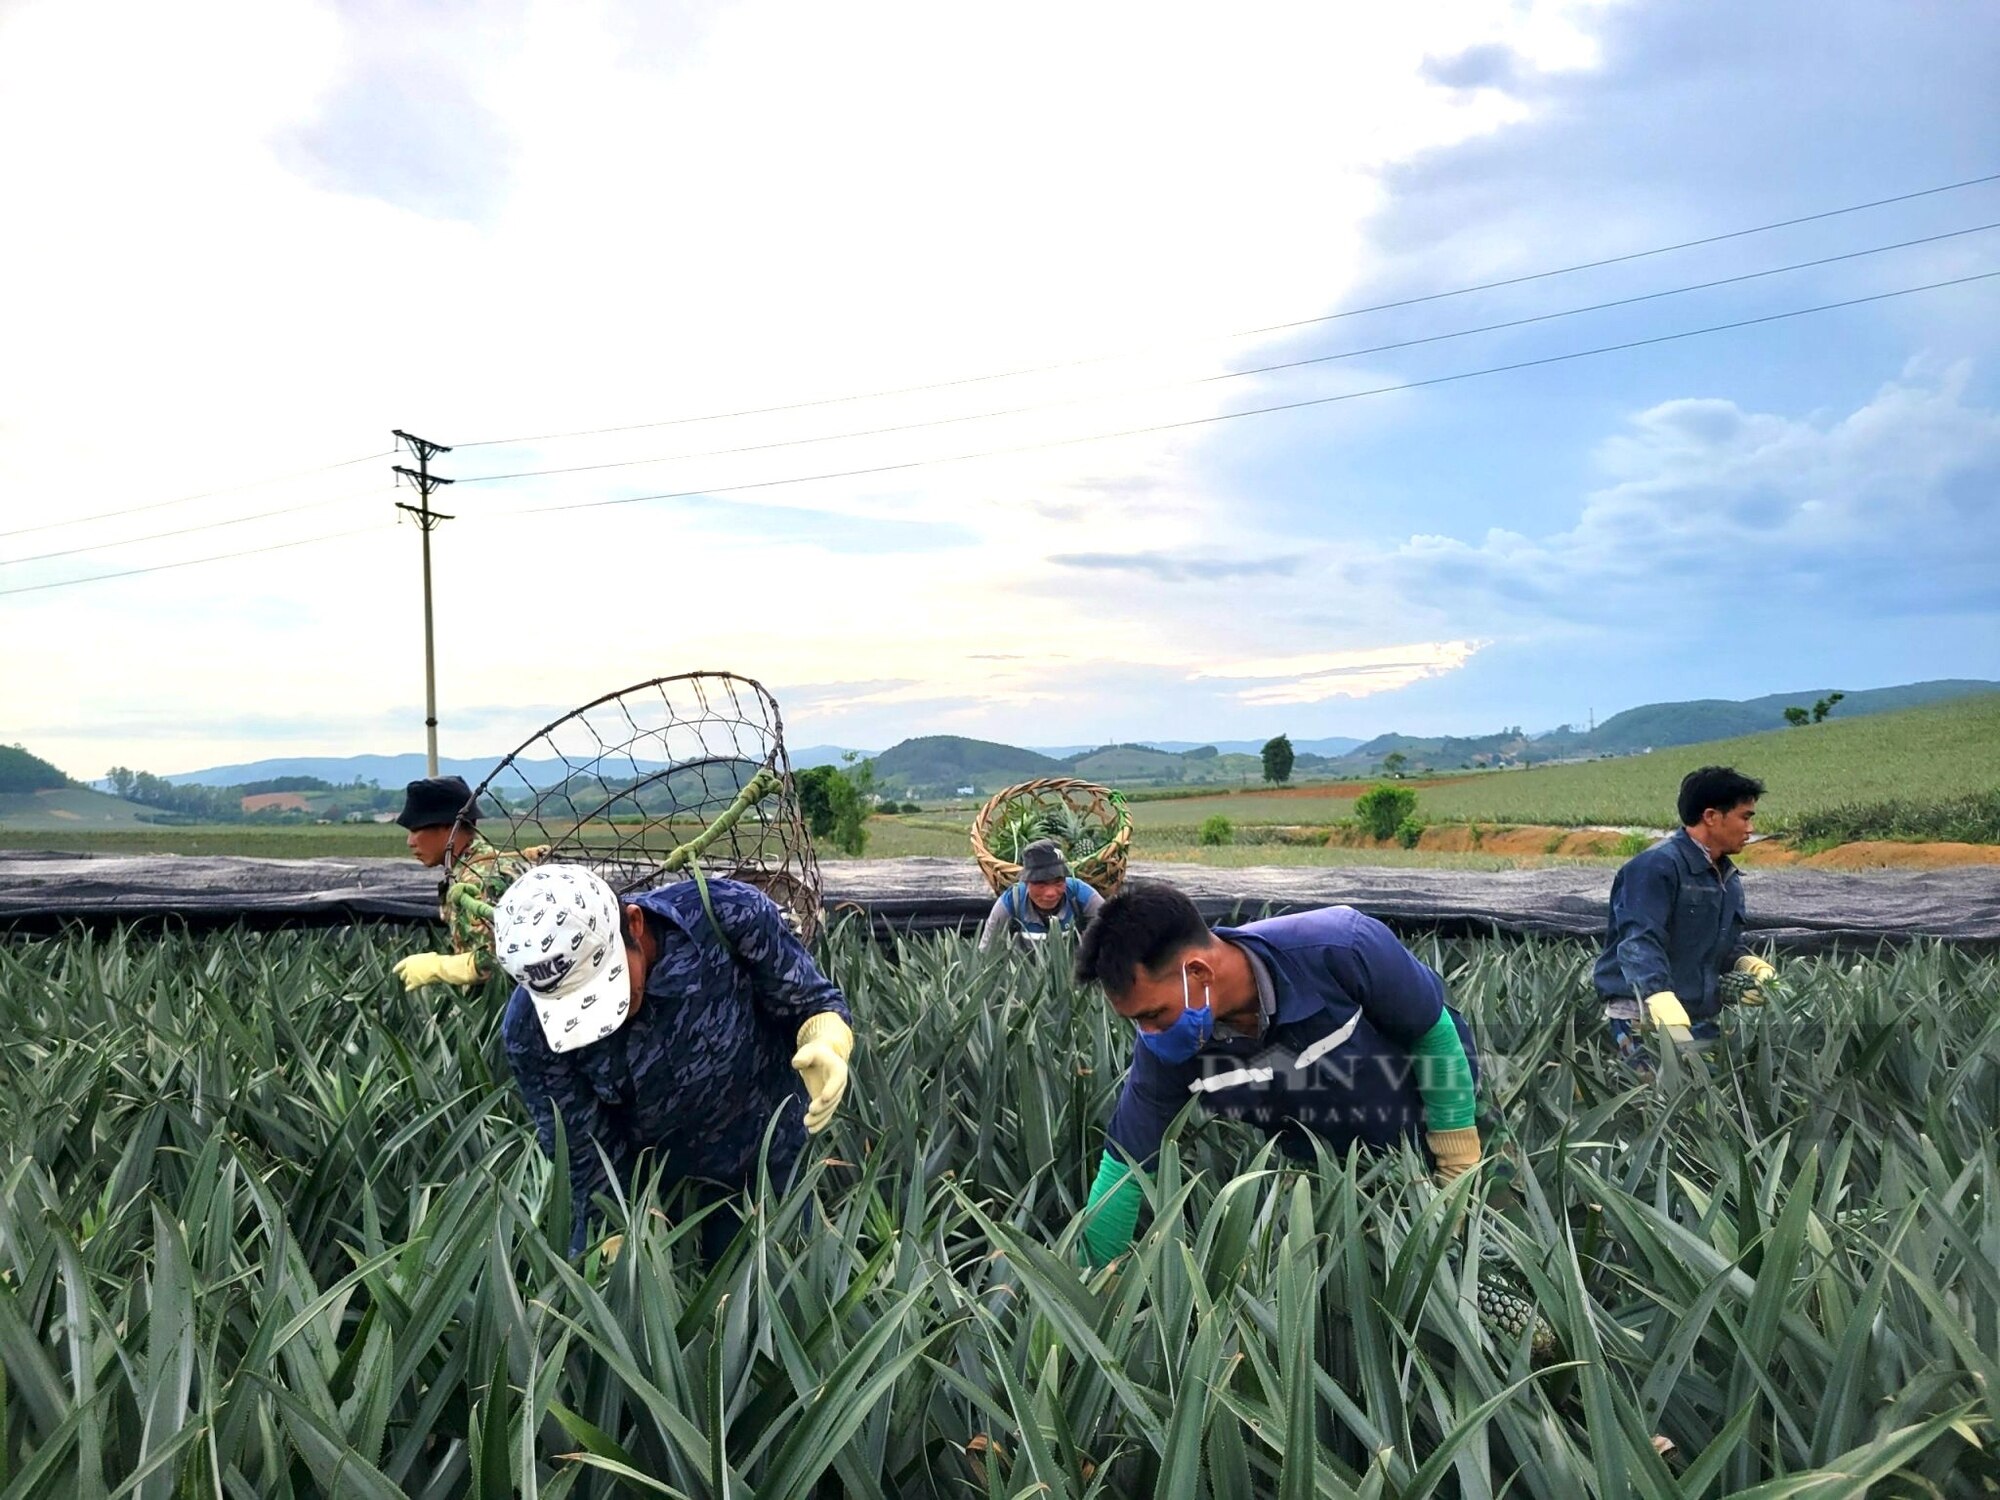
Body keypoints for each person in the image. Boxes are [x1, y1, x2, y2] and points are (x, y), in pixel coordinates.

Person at [1071, 882, 1481, 1267]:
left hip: (1447, 1118)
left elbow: (1434, 1035)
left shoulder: (1342, 947)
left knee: (1485, 1263)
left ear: (1198, 973)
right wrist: (1091, 1289)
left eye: (1154, 1014)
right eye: (1137, 1022)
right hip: (1335, 1173)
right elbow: (1125, 1166)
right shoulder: (1167, 1051)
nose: (1149, 1034)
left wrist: (1457, 1167)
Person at [492, 863, 855, 1260]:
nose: (602, 1023)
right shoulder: (529, 1032)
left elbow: (809, 999)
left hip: (767, 1161)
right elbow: (585, 1149)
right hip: (656, 1191)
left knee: (774, 1294)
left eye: (605, 986)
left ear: (632, 923)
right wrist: (614, 1226)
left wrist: (826, 1038)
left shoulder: (727, 913)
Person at [1592, 765, 1779, 1073]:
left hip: (1697, 1012)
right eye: (1745, 817)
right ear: (1711, 816)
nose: (1750, 830)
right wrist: (1658, 996)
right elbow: (1639, 940)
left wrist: (1746, 963)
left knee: (1707, 1102)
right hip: (1645, 1015)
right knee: (1661, 1105)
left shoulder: (1725, 875)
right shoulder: (1656, 866)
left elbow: (1720, 941)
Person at [391, 775, 533, 990]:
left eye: (416, 830)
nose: (410, 842)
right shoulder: (485, 864)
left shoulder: (480, 878)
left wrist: (439, 967)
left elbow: (501, 961)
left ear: (449, 828)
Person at [978, 839, 1104, 950]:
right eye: (1041, 885)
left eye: (1058, 882)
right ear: (1026, 883)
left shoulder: (1081, 895)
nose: (1050, 893)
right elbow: (986, 951)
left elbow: (1114, 931)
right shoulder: (1011, 902)